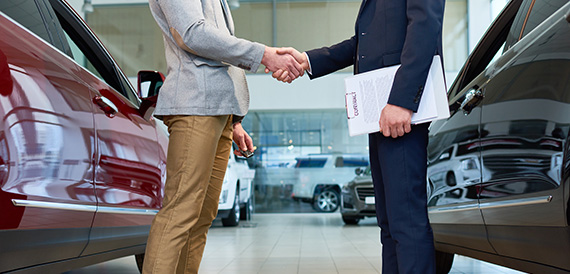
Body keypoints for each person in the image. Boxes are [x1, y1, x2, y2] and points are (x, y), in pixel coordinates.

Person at [274, 0, 445, 272]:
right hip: (380, 112)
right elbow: (364, 43)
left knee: (407, 220)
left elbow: (425, 26)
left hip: (399, 111)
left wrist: (402, 101)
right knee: (389, 221)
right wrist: (308, 60)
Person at [142, 0, 303, 273]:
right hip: (195, 105)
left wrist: (234, 122)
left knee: (202, 215)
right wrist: (263, 54)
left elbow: (219, 46)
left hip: (219, 112)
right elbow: (193, 33)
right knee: (181, 212)